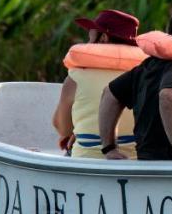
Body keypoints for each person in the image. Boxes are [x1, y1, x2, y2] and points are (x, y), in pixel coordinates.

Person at [98, 6, 172, 161]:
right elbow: (169, 95)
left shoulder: (147, 66)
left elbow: (109, 94)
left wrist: (109, 148)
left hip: (147, 161)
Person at [53, 9, 143, 158]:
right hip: (135, 160)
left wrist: (77, 132)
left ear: (103, 38)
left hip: (88, 159)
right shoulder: (146, 75)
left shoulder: (76, 76)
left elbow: (62, 128)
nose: (88, 43)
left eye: (90, 37)